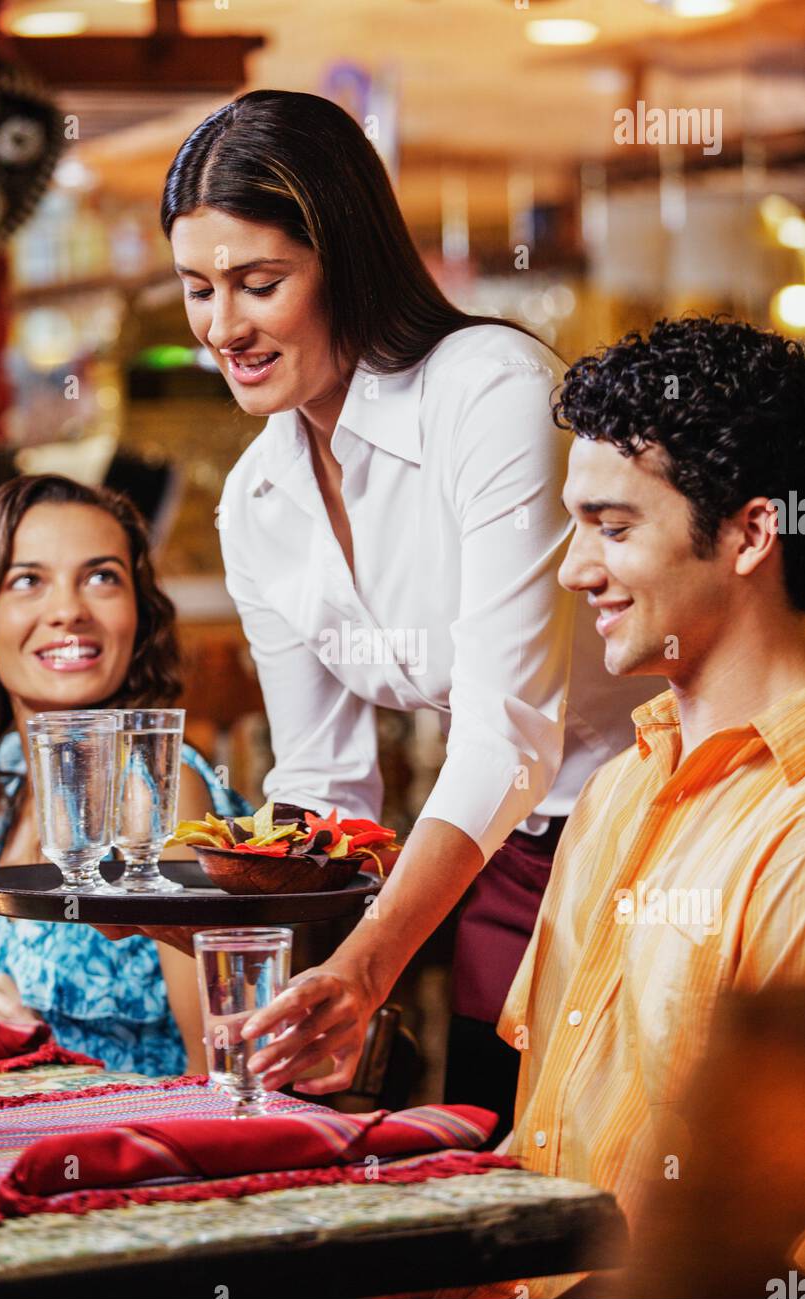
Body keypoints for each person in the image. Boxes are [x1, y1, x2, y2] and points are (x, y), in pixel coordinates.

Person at [159, 89, 661, 1119]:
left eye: (258, 283)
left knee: (646, 1183)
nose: (222, 327)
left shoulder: (490, 390)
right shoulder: (256, 503)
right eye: (196, 287)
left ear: (343, 258)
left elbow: (507, 733)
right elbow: (327, 782)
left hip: (652, 828)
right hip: (494, 856)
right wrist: (238, 926)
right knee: (498, 1163)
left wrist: (371, 964)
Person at [485, 316, 805, 1299]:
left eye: (613, 528)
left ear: (752, 531)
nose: (574, 568)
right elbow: (538, 1130)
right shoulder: (618, 787)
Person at [0, 473, 249, 1075]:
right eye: (27, 580)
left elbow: (220, 1070)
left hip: (123, 1145)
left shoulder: (159, 789)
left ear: (139, 610)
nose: (68, 612)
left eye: (102, 577)